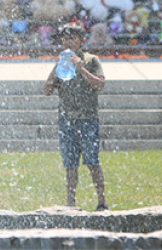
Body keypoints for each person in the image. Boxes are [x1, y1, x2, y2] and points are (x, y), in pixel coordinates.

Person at [43, 22, 108, 210]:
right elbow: (47, 90)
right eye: (64, 38)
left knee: (92, 162)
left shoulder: (90, 60)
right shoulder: (61, 62)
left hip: (88, 119)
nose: (67, 42)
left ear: (82, 41)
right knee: (70, 165)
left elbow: (100, 85)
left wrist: (81, 68)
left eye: (72, 38)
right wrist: (55, 68)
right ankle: (70, 202)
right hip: (66, 120)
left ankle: (102, 201)